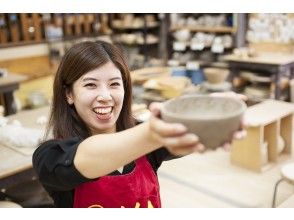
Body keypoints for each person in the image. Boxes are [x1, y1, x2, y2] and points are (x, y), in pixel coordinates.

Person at [33, 41, 242, 208]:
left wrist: (210, 112)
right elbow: (86, 158)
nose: (105, 96)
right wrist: (153, 132)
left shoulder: (145, 139)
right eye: (90, 85)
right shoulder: (50, 158)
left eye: (115, 84)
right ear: (69, 94)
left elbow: (189, 131)